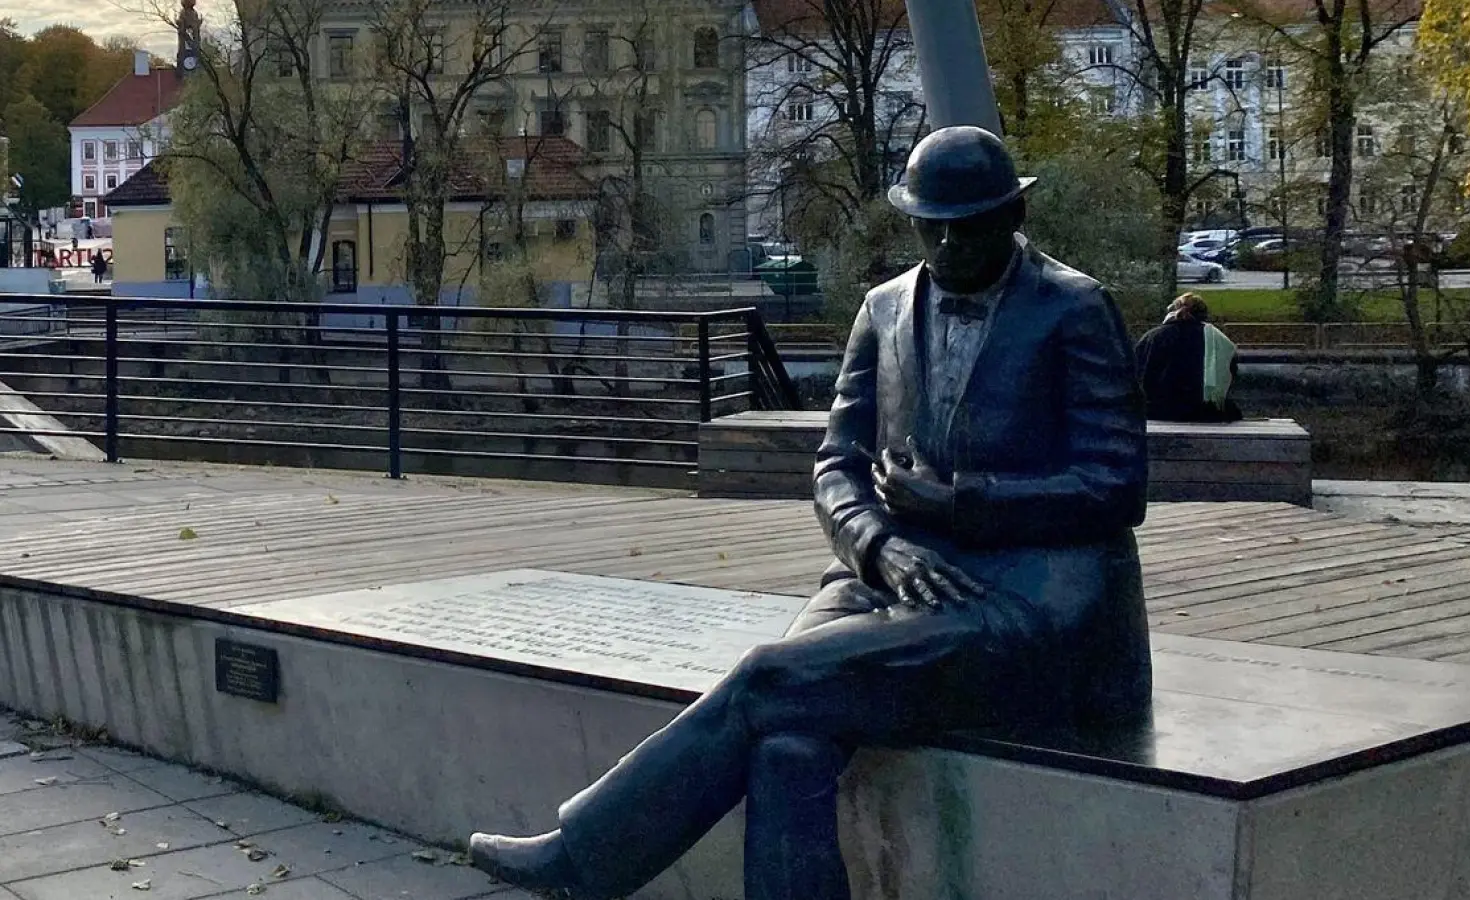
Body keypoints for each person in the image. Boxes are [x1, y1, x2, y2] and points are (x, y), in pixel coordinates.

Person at [468, 126, 1153, 900]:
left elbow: (1116, 483)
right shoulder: (885, 307)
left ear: (1011, 216)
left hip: (1025, 602)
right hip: (888, 577)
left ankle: (584, 859)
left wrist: (964, 503)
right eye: (934, 226)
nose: (951, 243)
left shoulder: (1075, 309)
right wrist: (877, 547)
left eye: (970, 225)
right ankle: (590, 860)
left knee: (767, 680)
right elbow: (836, 464)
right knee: (788, 743)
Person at [1133, 292, 1243, 422]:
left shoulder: (1151, 337)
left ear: (1172, 310)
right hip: (1200, 411)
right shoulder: (1217, 339)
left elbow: (1136, 373)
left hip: (1157, 411)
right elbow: (1231, 371)